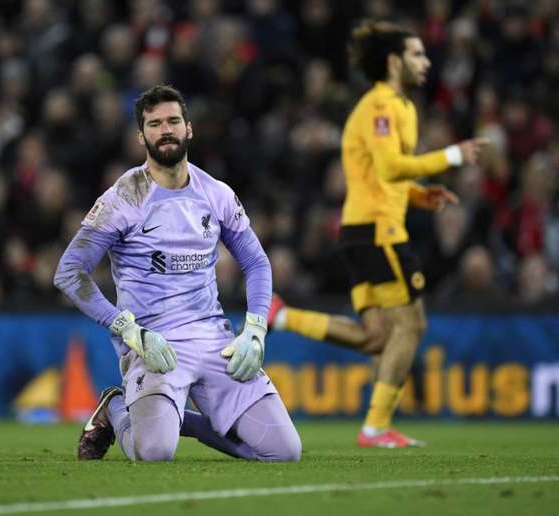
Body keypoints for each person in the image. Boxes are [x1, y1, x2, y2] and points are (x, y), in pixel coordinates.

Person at [269, 20, 488, 448]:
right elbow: (389, 166)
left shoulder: (402, 107)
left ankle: (284, 316)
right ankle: (375, 426)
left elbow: (381, 175)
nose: (426, 62)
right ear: (393, 61)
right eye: (417, 55)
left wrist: (419, 196)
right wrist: (451, 154)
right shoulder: (380, 106)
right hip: (378, 232)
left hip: (363, 229)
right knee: (412, 323)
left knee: (376, 336)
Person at [54, 85, 301, 462]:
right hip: (155, 346)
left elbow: (256, 262)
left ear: (189, 129)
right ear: (141, 136)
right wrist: (127, 330)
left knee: (283, 452)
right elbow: (70, 272)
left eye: (172, 121)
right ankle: (116, 407)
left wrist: (255, 329)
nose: (165, 130)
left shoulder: (215, 193)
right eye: (154, 124)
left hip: (214, 339)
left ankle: (174, 418)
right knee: (154, 452)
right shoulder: (124, 198)